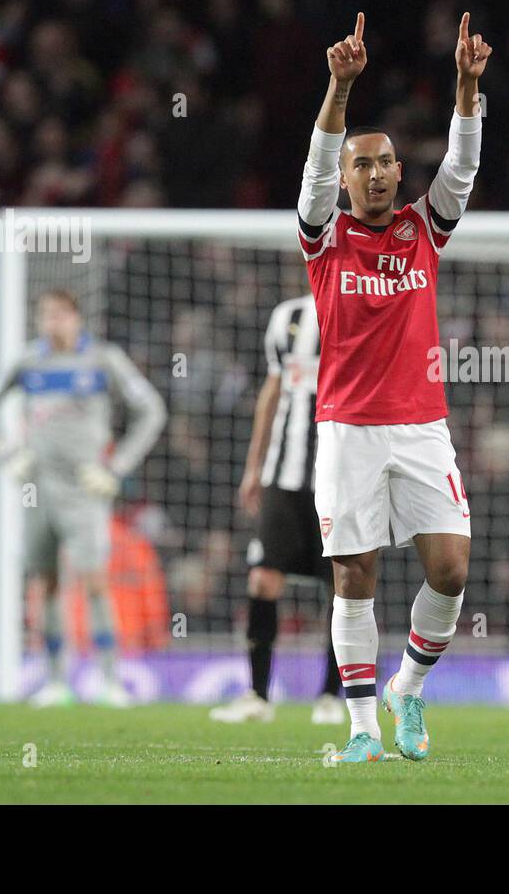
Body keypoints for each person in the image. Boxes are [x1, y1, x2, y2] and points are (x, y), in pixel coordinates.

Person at [296, 12, 491, 762]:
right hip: (346, 427)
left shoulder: (424, 230)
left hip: (419, 425)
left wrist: (466, 88)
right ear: (346, 179)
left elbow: (464, 169)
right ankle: (359, 729)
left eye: (385, 163)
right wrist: (339, 87)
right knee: (356, 577)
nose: (376, 172)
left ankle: (407, 687)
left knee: (451, 567)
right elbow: (313, 169)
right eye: (362, 165)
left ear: (397, 173)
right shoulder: (324, 237)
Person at [0, 288, 167, 706]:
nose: (52, 322)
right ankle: (57, 682)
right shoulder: (28, 361)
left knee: (95, 581)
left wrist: (115, 468)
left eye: (60, 314)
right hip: (38, 486)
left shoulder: (103, 359)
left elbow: (151, 409)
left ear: (77, 317)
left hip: (85, 489)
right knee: (45, 584)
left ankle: (110, 681)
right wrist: (6, 452)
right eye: (45, 314)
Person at [210, 294, 344, 725]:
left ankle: (330, 695)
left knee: (343, 584)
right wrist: (254, 467)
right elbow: (273, 388)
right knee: (263, 578)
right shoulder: (286, 315)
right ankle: (257, 695)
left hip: (339, 476)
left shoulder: (360, 308)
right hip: (281, 476)